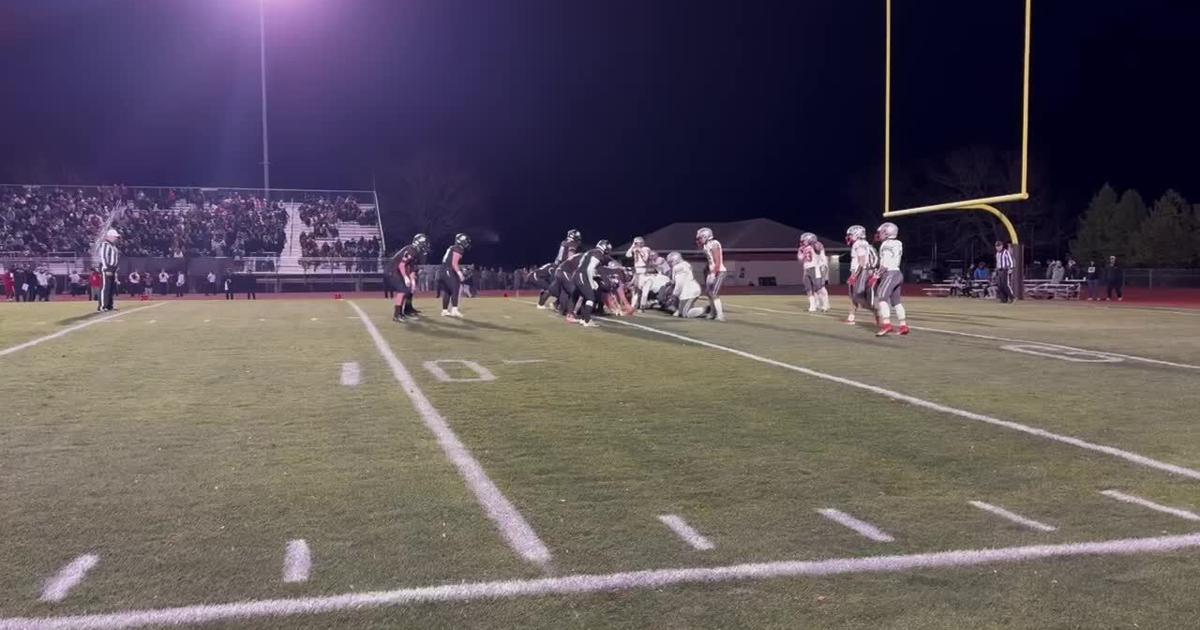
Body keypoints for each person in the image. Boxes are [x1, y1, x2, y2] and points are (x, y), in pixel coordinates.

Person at [873, 222, 908, 336]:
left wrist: (877, 275)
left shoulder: (886, 244)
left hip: (889, 273)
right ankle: (903, 326)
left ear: (888, 232)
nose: (880, 234)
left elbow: (886, 262)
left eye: (882, 232)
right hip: (897, 273)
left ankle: (887, 325)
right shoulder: (898, 243)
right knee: (896, 302)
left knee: (882, 298)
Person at [570, 240, 615, 327]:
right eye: (608, 248)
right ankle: (587, 321)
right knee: (591, 298)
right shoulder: (598, 253)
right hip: (582, 275)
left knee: (586, 297)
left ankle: (583, 319)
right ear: (604, 247)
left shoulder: (591, 252)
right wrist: (591, 283)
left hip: (578, 274)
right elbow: (590, 269)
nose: (608, 250)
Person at [390, 234, 429, 323]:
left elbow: (411, 267)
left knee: (408, 289)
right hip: (394, 270)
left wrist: (412, 280)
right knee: (402, 290)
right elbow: (401, 265)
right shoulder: (411, 250)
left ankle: (405, 311)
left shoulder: (415, 251)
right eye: (424, 243)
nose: (425, 245)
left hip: (398, 270)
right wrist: (405, 278)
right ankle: (397, 315)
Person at [843, 225, 878, 325]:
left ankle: (877, 312)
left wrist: (854, 275)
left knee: (859, 297)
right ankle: (851, 317)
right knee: (853, 297)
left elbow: (862, 261)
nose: (848, 237)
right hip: (860, 271)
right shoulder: (862, 243)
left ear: (856, 234)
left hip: (861, 272)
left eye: (850, 235)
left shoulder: (859, 243)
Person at [695, 226, 726, 321]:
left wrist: (713, 273)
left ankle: (720, 315)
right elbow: (710, 261)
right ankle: (712, 313)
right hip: (712, 271)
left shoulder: (714, 244)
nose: (699, 240)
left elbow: (717, 260)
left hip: (719, 271)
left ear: (706, 236)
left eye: (700, 237)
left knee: (714, 293)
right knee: (709, 293)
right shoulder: (706, 246)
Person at [438, 233, 470, 317]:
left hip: (443, 270)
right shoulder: (458, 248)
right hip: (448, 270)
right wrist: (460, 273)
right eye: (465, 240)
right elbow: (454, 263)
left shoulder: (452, 247)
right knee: (455, 288)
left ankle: (444, 311)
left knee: (447, 291)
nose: (466, 242)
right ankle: (454, 310)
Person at [667, 251, 707, 318]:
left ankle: (705, 310)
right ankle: (701, 311)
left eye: (671, 261)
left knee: (684, 314)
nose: (670, 264)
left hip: (689, 291)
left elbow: (679, 284)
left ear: (675, 259)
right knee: (679, 313)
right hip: (689, 289)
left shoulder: (677, 267)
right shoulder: (685, 264)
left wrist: (673, 296)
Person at [798, 232, 830, 313]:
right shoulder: (802, 248)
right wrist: (801, 251)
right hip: (806, 269)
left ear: (810, 240)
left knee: (819, 287)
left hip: (816, 268)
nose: (802, 242)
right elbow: (800, 258)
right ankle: (813, 306)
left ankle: (825, 305)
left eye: (804, 240)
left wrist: (813, 244)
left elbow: (819, 249)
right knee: (808, 288)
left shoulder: (817, 245)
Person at [625, 236, 654, 310]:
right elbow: (627, 255)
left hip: (643, 271)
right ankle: (633, 306)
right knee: (635, 290)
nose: (638, 244)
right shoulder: (634, 248)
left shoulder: (646, 249)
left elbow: (645, 259)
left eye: (639, 243)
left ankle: (642, 306)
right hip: (637, 271)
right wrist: (632, 246)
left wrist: (640, 250)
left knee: (643, 290)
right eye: (636, 243)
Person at [98, 229, 121, 311]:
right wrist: (106, 268)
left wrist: (116, 268)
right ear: (110, 236)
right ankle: (103, 306)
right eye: (115, 237)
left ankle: (109, 305)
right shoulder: (105, 244)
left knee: (111, 288)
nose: (116, 238)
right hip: (107, 268)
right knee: (105, 287)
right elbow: (103, 257)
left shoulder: (113, 246)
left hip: (113, 268)